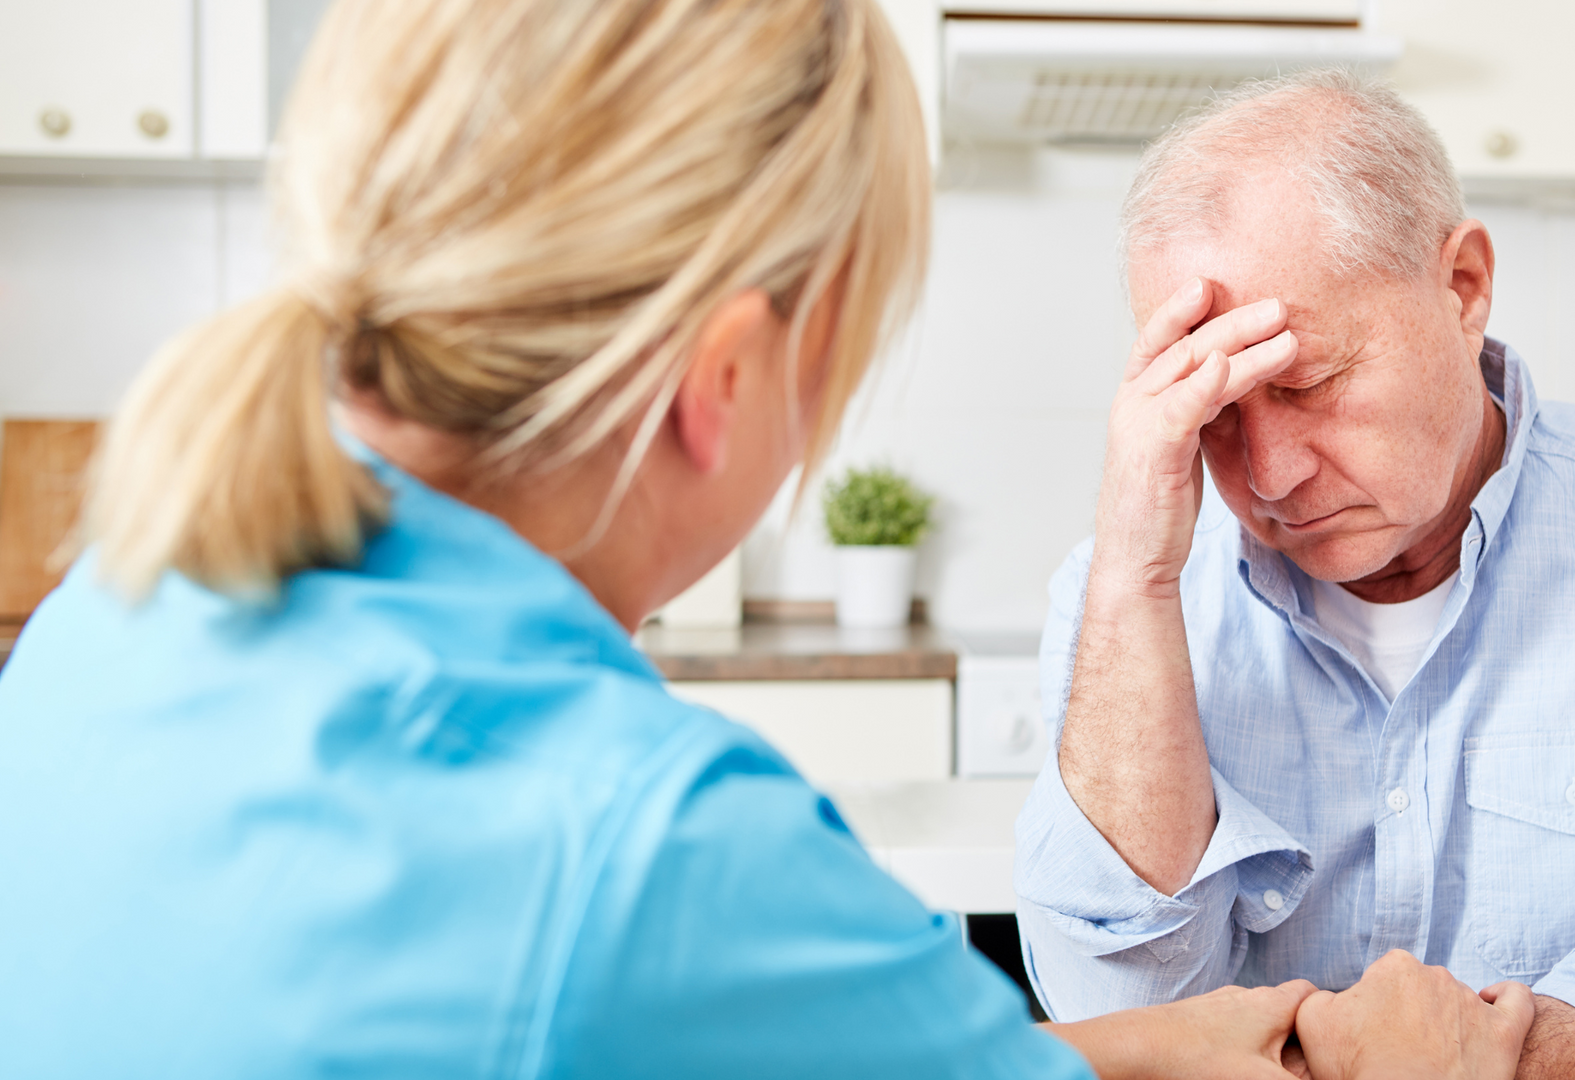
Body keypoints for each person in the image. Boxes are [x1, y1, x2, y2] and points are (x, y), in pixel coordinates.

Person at [0, 2, 1360, 1076]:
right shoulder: (656, 850)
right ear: (719, 385)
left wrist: (1115, 1056)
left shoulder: (106, 618)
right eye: (836, 356)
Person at [1013, 69, 1575, 1079]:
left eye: (1307, 382)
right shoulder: (1124, 604)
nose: (1270, 472)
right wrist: (1133, 581)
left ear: (1463, 287)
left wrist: (1460, 1061)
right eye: (1214, 412)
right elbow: (1116, 1007)